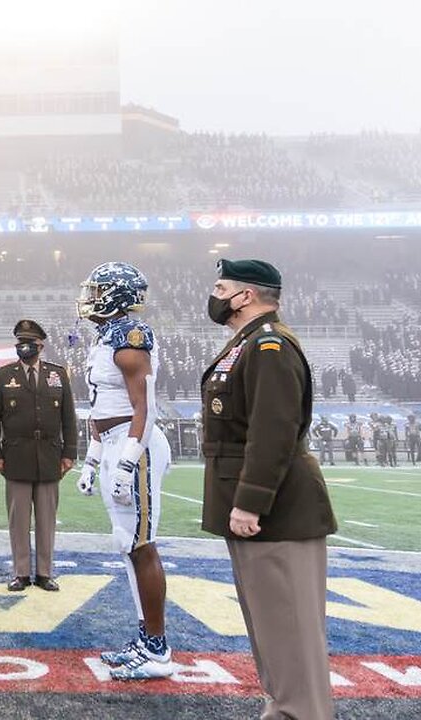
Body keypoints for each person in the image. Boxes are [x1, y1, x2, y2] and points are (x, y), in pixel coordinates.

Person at [200, 259, 338, 720]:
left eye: (221, 287)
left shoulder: (268, 346)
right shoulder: (247, 344)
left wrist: (250, 501)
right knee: (272, 630)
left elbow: (274, 430)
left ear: (246, 296)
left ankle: (302, 713)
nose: (214, 295)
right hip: (261, 511)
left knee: (291, 631)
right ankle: (283, 709)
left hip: (277, 512)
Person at [72, 262, 175, 680]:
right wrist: (93, 459)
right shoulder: (105, 338)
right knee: (128, 545)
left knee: (142, 545)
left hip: (137, 445)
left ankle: (157, 648)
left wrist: (128, 460)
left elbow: (143, 408)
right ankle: (146, 639)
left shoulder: (130, 338)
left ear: (116, 295)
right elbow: (103, 408)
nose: (90, 298)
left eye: (98, 291)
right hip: (116, 443)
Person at [0, 319, 76, 593]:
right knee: (19, 519)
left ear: (41, 345)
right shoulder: (3, 375)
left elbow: (68, 418)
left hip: (50, 455)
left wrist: (69, 452)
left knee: (47, 519)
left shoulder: (57, 375)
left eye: (29, 344)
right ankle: (21, 573)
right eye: (20, 343)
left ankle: (45, 573)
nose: (24, 348)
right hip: (15, 456)